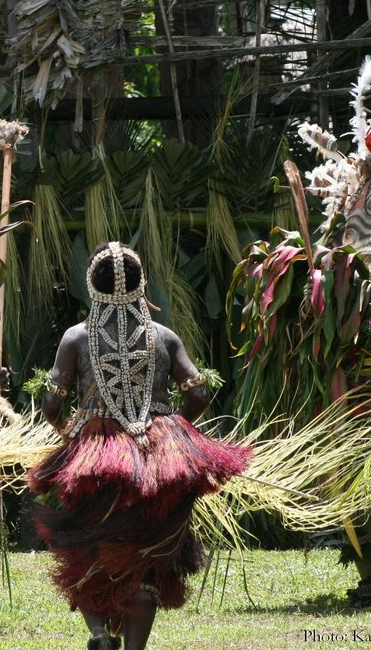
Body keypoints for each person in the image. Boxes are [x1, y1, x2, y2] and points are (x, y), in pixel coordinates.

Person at [28, 242, 251, 650]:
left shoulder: (77, 336)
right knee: (147, 555)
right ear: (140, 285)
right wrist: (176, 432)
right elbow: (199, 393)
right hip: (157, 453)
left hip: (95, 452)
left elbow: (51, 400)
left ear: (92, 288)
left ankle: (99, 635)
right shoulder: (163, 335)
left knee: (83, 545)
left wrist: (68, 432)